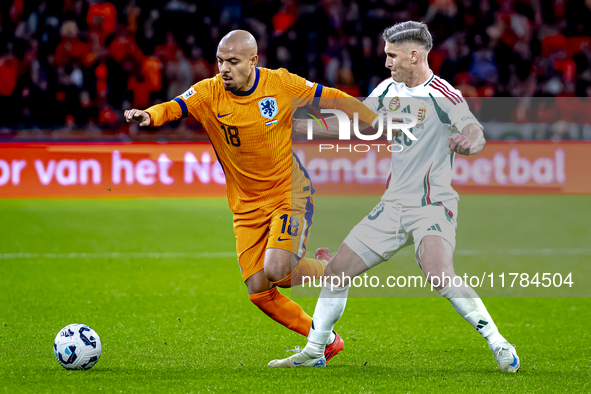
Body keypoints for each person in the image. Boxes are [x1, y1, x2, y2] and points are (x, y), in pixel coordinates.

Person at [268, 21, 520, 372]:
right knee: (337, 271)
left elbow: (473, 130)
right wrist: (302, 120)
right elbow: (358, 121)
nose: (386, 62)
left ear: (414, 55)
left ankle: (499, 343)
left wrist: (469, 142)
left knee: (439, 275)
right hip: (391, 207)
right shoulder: (388, 89)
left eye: (392, 55)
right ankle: (314, 351)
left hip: (431, 205)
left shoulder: (443, 95)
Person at [124, 30, 379, 364]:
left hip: (287, 193)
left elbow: (328, 96)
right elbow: (175, 107)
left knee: (275, 268)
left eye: (233, 61)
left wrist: (373, 118)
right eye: (220, 61)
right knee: (259, 290)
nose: (224, 68)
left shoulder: (280, 85)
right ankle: (326, 338)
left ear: (253, 61)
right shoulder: (209, 92)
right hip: (245, 206)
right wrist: (149, 114)